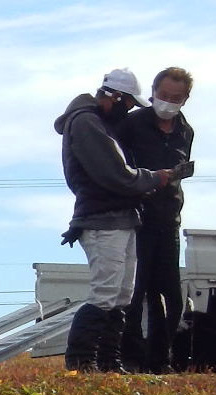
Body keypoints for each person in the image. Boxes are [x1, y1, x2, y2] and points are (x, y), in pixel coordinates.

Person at [56, 68, 179, 373]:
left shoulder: (98, 122)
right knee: (106, 292)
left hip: (121, 217)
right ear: (114, 97)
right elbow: (115, 175)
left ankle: (109, 362)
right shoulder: (87, 122)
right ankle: (81, 360)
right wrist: (153, 178)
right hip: (101, 218)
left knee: (122, 295)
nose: (129, 111)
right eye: (127, 104)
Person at [116, 67, 196, 373]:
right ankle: (132, 359)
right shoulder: (132, 124)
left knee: (170, 297)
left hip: (168, 219)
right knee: (135, 294)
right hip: (137, 218)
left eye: (176, 98)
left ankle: (160, 360)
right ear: (153, 92)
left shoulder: (185, 130)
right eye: (163, 95)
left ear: (186, 99)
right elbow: (118, 169)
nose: (168, 102)